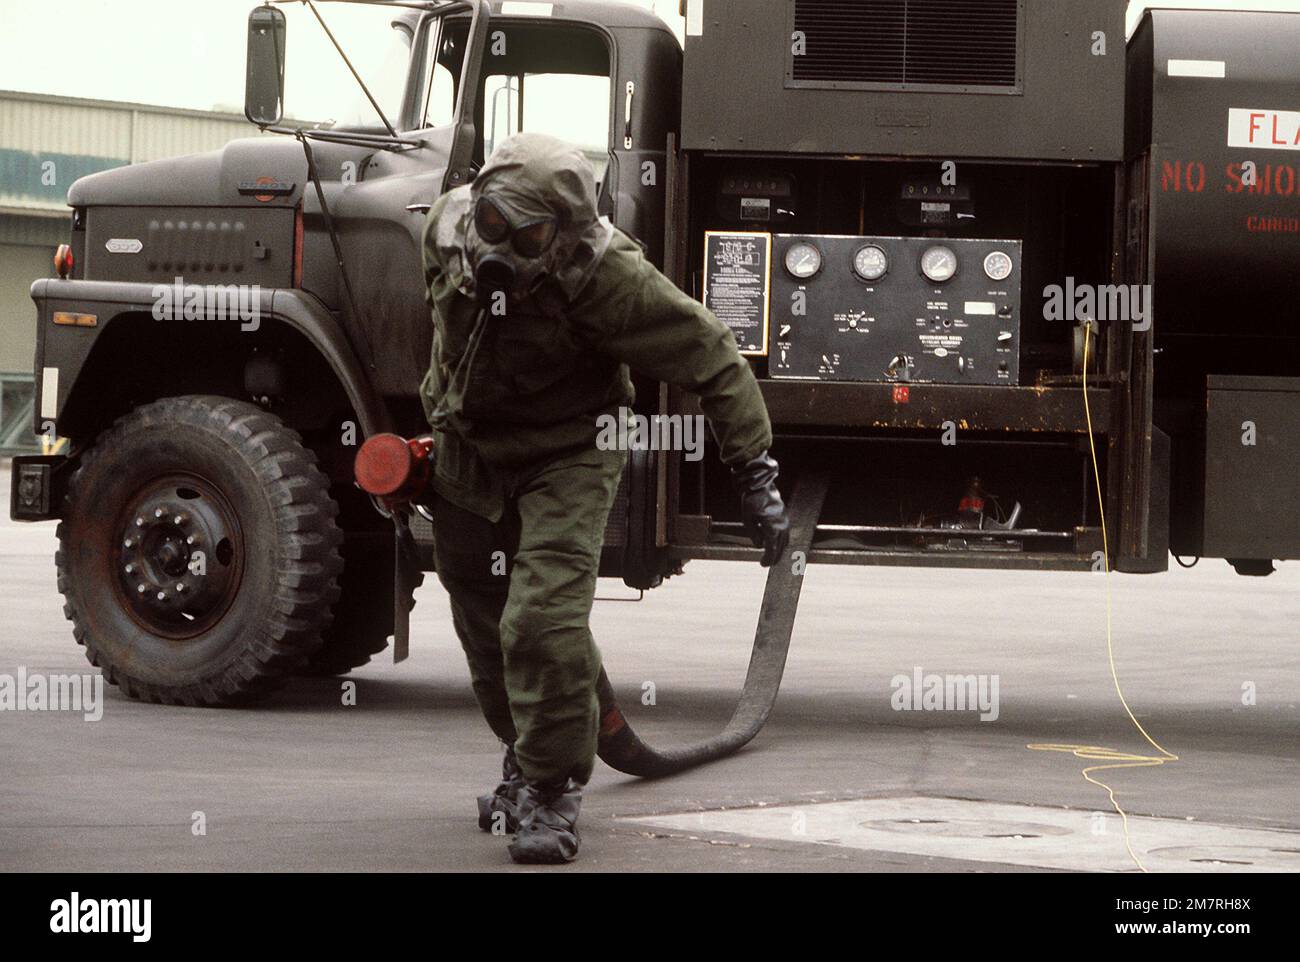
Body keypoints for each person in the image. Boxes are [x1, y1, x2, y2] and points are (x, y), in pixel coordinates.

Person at [419, 131, 788, 864]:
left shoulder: (606, 276)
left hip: (569, 451)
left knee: (543, 624)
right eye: (492, 224)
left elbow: (713, 354)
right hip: (468, 447)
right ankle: (527, 756)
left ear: (567, 237)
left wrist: (755, 474)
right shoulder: (443, 229)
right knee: (483, 622)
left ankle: (553, 792)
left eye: (526, 236)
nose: (498, 247)